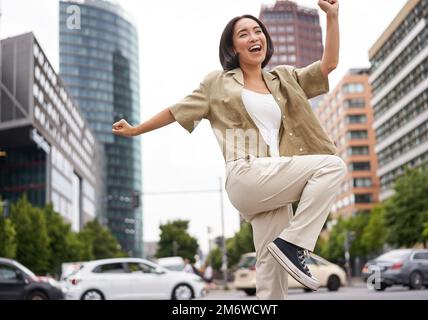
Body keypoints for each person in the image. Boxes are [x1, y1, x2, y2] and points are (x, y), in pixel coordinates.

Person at [113, 0, 344, 300]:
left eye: (257, 31)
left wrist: (333, 18)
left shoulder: (284, 79)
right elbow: (176, 110)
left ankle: (288, 247)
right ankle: (296, 243)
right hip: (245, 174)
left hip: (275, 182)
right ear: (233, 47)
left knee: (272, 277)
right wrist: (136, 129)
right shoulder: (218, 83)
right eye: (244, 34)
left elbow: (328, 65)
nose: (254, 37)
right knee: (332, 165)